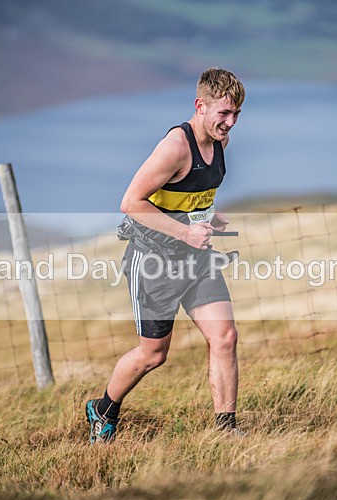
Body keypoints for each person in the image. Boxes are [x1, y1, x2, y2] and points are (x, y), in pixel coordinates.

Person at [85, 67, 245, 444]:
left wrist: (206, 218)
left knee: (225, 336)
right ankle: (103, 409)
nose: (230, 122)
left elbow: (189, 196)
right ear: (200, 106)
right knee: (153, 355)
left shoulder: (220, 143)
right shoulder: (176, 146)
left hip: (196, 258)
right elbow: (130, 202)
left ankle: (226, 430)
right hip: (153, 260)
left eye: (236, 114)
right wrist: (186, 230)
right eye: (223, 113)